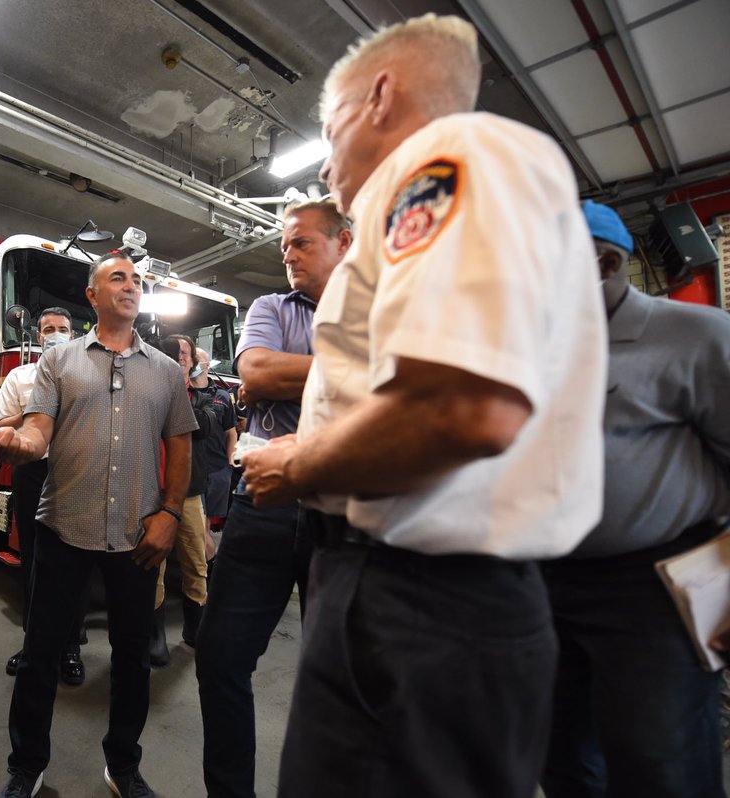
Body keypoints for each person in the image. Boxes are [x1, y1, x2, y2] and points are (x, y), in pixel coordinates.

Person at [242, 15, 608, 798]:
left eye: (330, 127)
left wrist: (297, 462)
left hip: (420, 602)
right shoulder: (414, 203)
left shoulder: (448, 158)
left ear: (381, 95)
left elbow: (461, 407)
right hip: (409, 592)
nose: (331, 153)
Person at [0, 252, 197, 798]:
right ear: (93, 295)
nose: (131, 286)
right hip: (63, 530)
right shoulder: (60, 361)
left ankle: (123, 765)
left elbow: (180, 446)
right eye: (117, 278)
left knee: (132, 659)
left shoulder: (167, 372)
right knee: (40, 653)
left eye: (137, 281)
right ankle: (26, 765)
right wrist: (23, 443)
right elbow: (38, 429)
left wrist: (170, 513)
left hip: (136, 536)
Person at [539, 201, 730, 798]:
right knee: (561, 752)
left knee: (659, 763)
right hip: (543, 582)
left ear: (606, 262)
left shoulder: (696, 337)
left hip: (654, 592)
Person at [196, 197, 350, 798]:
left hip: (342, 511)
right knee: (220, 658)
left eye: (301, 242)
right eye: (282, 245)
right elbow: (257, 374)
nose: (286, 254)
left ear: (344, 243)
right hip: (262, 503)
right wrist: (360, 366)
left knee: (337, 673)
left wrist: (307, 369)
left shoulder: (380, 309)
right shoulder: (270, 307)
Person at [0, 307, 87, 686]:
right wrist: (34, 411)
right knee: (34, 557)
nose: (56, 334)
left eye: (63, 328)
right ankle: (33, 644)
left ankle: (71, 648)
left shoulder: (88, 374)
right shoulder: (20, 376)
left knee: (77, 559)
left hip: (78, 472)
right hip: (32, 472)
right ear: (38, 334)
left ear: (74, 333)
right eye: (49, 329)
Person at [151, 334, 218, 664]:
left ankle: (196, 631)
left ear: (193, 362)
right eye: (174, 353)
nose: (181, 358)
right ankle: (155, 637)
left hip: (189, 494)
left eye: (186, 354)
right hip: (151, 493)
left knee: (196, 563)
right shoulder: (148, 394)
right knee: (154, 566)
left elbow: (205, 425)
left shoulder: (206, 397)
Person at [191, 347, 236, 538]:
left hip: (218, 469)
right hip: (192, 471)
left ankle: (207, 563)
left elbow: (231, 433)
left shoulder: (223, 397)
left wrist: (230, 463)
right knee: (197, 526)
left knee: (208, 525)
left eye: (197, 359)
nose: (193, 362)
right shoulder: (182, 393)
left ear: (207, 365)